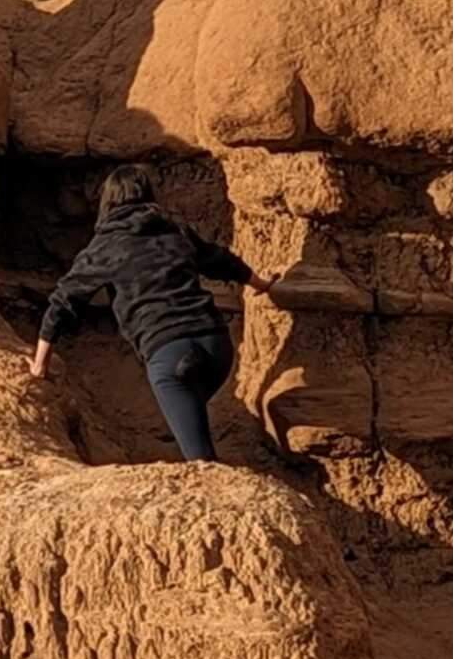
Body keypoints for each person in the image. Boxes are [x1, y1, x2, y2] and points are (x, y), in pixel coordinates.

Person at [29, 165, 275, 462]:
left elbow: (64, 302)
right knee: (190, 416)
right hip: (217, 346)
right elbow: (220, 260)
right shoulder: (174, 229)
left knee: (202, 463)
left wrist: (40, 363)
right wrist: (262, 284)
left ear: (107, 202)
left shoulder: (104, 247)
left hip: (169, 353)